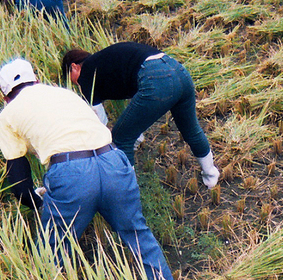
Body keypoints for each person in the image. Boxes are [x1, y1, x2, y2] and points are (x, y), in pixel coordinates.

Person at [0, 57, 185, 280]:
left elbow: (19, 184)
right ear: (36, 80)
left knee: (52, 250)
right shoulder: (65, 94)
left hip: (71, 173)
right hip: (113, 162)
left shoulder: (7, 116)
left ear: (5, 95)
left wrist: (43, 203)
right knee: (139, 236)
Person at [61, 43, 220, 187]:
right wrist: (135, 132)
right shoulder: (105, 65)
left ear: (74, 67)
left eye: (71, 79)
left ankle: (128, 193)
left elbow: (99, 121)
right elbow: (139, 108)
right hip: (178, 70)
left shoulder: (87, 74)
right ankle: (211, 175)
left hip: (156, 77)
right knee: (191, 130)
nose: (75, 85)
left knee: (121, 139)